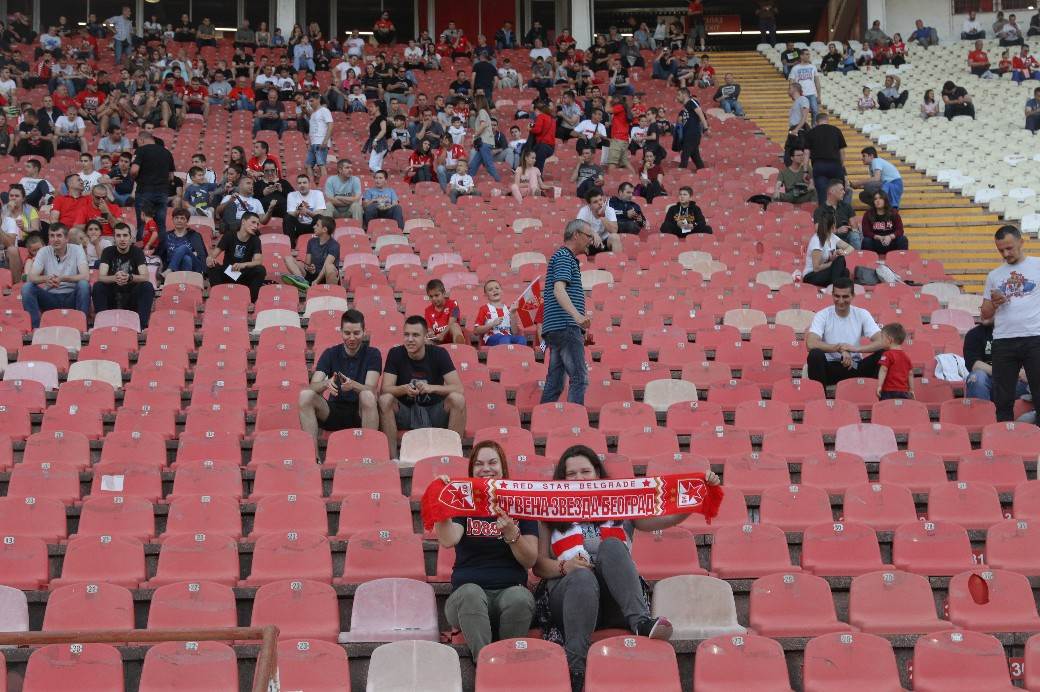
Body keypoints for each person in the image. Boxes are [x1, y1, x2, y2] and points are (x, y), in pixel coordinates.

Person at [533, 445, 721, 690]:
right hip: (569, 600)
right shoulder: (548, 510)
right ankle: (575, 669)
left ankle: (641, 622)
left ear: (598, 475)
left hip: (614, 602)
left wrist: (695, 496)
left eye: (585, 472)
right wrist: (564, 567)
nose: (579, 479)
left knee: (611, 546)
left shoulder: (620, 502)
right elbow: (538, 566)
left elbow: (663, 518)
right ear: (561, 479)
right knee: (582, 578)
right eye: (572, 474)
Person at [434, 440, 536, 660]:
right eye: (479, 464)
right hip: (465, 600)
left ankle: (508, 664)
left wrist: (512, 534)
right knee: (471, 593)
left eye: (492, 462)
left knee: (520, 597)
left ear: (503, 469)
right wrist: (441, 507)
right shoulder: (464, 500)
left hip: (509, 594)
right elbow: (448, 539)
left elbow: (530, 560)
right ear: (471, 471)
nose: (486, 468)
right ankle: (487, 666)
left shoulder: (520, 503)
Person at [378, 315, 467, 458]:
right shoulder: (395, 353)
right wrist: (404, 389)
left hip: (435, 412)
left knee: (458, 399)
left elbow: (458, 388)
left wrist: (432, 388)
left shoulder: (439, 354)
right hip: (407, 411)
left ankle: (452, 458)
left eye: (415, 335)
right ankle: (392, 459)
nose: (410, 339)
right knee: (384, 400)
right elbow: (385, 389)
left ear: (425, 337)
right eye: (406, 334)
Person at [980, 225, 1040, 422]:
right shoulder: (994, 275)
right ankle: (1004, 442)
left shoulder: (1037, 265)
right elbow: (985, 314)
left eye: (1009, 248)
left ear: (1021, 242)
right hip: (1004, 339)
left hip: (1035, 337)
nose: (1005, 254)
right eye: (1001, 250)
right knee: (1003, 398)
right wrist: (994, 304)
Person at [299, 308, 381, 440]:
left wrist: (352, 385)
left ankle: (369, 453)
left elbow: (371, 390)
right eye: (347, 333)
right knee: (305, 395)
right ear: (341, 332)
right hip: (334, 411)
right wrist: (326, 383)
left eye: (356, 333)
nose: (352, 338)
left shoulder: (373, 354)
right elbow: (312, 386)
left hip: (360, 412)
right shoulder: (330, 353)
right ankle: (313, 456)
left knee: (367, 396)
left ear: (364, 332)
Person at [540, 220, 593, 405]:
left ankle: (544, 421)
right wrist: (577, 317)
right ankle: (574, 426)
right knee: (580, 378)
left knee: (555, 383)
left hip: (558, 328)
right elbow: (559, 290)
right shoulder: (564, 256)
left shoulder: (564, 257)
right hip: (566, 326)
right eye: (589, 236)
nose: (591, 241)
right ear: (576, 234)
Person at [806, 276, 886, 386]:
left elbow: (882, 341)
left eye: (845, 297)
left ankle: (877, 394)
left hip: (855, 366)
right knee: (815, 354)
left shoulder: (862, 313)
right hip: (830, 367)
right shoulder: (822, 315)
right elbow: (810, 343)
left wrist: (854, 349)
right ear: (832, 295)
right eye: (837, 296)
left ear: (853, 296)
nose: (841, 301)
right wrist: (839, 348)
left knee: (885, 353)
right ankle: (820, 400)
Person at [21, 224, 90, 329]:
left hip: (71, 296)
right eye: (52, 236)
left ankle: (82, 327)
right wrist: (46, 278)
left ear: (67, 238)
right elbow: (31, 277)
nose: (55, 239)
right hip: (50, 297)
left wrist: (63, 278)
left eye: (59, 236)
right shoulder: (43, 251)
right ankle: (36, 329)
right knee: (27, 287)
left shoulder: (77, 250)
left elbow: (85, 276)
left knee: (84, 285)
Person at [91, 221, 154, 327]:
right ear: (114, 238)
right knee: (98, 286)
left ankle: (142, 326)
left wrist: (130, 277)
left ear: (130, 238)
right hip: (112, 295)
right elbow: (101, 277)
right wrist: (115, 278)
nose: (122, 239)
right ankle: (101, 325)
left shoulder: (137, 252)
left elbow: (145, 276)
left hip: (131, 296)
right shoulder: (107, 251)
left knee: (147, 286)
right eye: (118, 236)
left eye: (125, 235)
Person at [205, 211, 266, 303]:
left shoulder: (255, 240)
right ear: (243, 222)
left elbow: (258, 261)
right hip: (228, 272)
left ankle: (251, 301)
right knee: (212, 267)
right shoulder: (229, 235)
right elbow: (213, 255)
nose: (256, 226)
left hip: (243, 275)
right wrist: (209, 260)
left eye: (257, 224)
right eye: (253, 222)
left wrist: (243, 265)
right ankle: (218, 298)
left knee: (260, 270)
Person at [131, 130, 175, 240]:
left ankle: (141, 253)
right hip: (162, 193)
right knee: (161, 225)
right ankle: (161, 252)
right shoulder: (167, 153)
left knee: (143, 224)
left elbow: (134, 170)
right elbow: (171, 177)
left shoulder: (141, 150)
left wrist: (134, 179)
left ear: (141, 139)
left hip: (144, 191)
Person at [474, 280, 528, 347]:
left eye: (497, 288)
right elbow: (476, 331)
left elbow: (515, 332)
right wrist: (492, 324)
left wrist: (513, 314)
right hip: (492, 338)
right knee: (505, 339)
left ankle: (518, 357)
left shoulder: (509, 309)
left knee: (522, 339)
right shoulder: (484, 309)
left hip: (508, 336)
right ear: (486, 294)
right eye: (490, 290)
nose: (494, 290)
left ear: (501, 291)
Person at [803, 216, 852, 288]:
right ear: (832, 226)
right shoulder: (817, 240)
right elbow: (816, 268)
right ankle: (834, 288)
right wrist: (832, 263)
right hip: (811, 276)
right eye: (835, 223)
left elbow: (850, 247)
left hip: (824, 272)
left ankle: (834, 287)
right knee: (840, 260)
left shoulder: (832, 236)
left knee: (845, 271)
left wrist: (843, 252)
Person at [813, 179, 861, 250]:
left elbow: (855, 227)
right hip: (831, 239)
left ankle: (856, 259)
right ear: (832, 191)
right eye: (841, 190)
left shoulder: (847, 206)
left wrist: (851, 227)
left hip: (847, 238)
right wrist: (837, 231)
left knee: (855, 235)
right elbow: (819, 231)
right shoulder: (819, 211)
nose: (844, 192)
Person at [860, 190, 908, 255]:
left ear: (885, 200)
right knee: (866, 241)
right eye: (875, 199)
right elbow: (866, 232)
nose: (878, 201)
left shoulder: (893, 213)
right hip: (876, 242)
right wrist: (878, 237)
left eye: (880, 198)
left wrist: (890, 237)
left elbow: (900, 230)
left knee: (903, 239)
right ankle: (868, 263)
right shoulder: (868, 214)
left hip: (891, 242)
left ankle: (901, 262)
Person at [576, 187, 622, 254]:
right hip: (589, 242)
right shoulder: (584, 211)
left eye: (600, 200)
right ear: (589, 205)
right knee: (577, 239)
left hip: (605, 242)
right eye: (595, 202)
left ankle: (618, 262)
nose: (600, 203)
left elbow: (614, 230)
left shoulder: (609, 210)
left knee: (615, 237)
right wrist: (593, 233)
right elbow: (578, 227)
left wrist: (601, 216)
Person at [284, 173, 327, 244]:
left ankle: (320, 243)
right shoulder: (291, 195)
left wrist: (307, 211)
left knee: (320, 218)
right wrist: (298, 211)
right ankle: (291, 246)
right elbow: (290, 213)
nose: (302, 185)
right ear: (297, 185)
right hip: (298, 225)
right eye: (299, 183)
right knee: (287, 218)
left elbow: (320, 213)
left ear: (309, 184)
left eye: (304, 182)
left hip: (313, 225)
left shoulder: (318, 194)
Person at [876, 323, 913, 400]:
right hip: (904, 391)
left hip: (888, 391)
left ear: (889, 340)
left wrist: (879, 385)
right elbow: (910, 374)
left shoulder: (887, 354)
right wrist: (911, 389)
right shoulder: (906, 356)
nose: (881, 340)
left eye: (882, 338)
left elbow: (883, 369)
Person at [164, 208, 207, 274]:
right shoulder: (167, 236)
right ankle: (184, 280)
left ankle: (169, 270)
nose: (179, 220)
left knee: (184, 248)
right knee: (186, 258)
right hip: (175, 266)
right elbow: (161, 254)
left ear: (187, 221)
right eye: (176, 218)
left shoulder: (195, 235)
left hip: (194, 267)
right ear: (172, 219)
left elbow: (201, 254)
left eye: (182, 218)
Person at [424, 278, 466, 345]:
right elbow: (429, 328)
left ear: (444, 293)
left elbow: (453, 321)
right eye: (431, 297)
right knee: (423, 339)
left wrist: (442, 334)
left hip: (451, 337)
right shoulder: (427, 310)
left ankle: (459, 348)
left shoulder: (454, 303)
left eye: (436, 295)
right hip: (437, 341)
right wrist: (430, 333)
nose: (434, 299)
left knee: (455, 326)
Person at [675, 87, 708, 170]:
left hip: (692, 134)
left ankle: (680, 173)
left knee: (684, 156)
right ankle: (703, 172)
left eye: (679, 95)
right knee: (696, 158)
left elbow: (701, 114)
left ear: (685, 95)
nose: (677, 97)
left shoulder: (692, 101)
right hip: (689, 134)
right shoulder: (686, 106)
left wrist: (706, 128)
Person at [305, 93, 333, 181]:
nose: (310, 103)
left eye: (312, 101)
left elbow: (331, 125)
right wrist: (310, 142)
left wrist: (325, 141)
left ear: (318, 100)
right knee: (308, 165)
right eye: (309, 101)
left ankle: (324, 185)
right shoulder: (313, 114)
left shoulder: (324, 110)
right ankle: (312, 185)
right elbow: (312, 129)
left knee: (321, 165)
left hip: (321, 141)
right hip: (314, 142)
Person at [789, 49, 821, 123]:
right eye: (806, 54)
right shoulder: (795, 68)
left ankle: (814, 128)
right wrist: (793, 94)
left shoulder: (813, 67)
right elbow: (791, 82)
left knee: (815, 111)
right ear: (801, 56)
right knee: (801, 113)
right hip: (801, 95)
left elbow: (817, 81)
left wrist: (819, 95)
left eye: (808, 54)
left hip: (812, 93)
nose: (808, 56)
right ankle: (802, 127)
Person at [529, 101, 557, 172]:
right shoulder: (552, 119)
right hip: (551, 147)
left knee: (537, 167)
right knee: (539, 166)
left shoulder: (540, 116)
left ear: (537, 110)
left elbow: (537, 130)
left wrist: (530, 129)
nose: (534, 113)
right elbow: (540, 126)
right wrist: (533, 125)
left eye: (534, 111)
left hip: (542, 146)